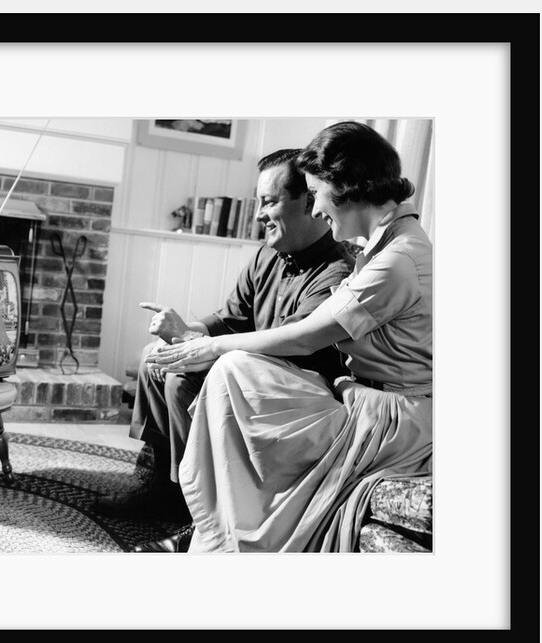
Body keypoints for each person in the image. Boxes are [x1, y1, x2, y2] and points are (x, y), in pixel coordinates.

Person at [145, 120, 433, 553]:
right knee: (228, 369)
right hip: (366, 398)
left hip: (395, 421)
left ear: (346, 185)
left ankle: (224, 529)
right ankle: (214, 517)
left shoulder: (397, 260)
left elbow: (301, 338)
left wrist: (208, 346)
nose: (315, 210)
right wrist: (202, 341)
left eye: (315, 193)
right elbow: (236, 317)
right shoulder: (388, 245)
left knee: (232, 369)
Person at [96, 148, 356, 530]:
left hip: (288, 394)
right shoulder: (267, 255)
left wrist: (194, 345)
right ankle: (162, 484)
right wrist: (184, 331)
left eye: (268, 202)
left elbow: (288, 348)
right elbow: (229, 318)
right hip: (243, 371)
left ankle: (200, 504)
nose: (258, 215)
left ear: (308, 201)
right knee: (158, 358)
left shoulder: (336, 272)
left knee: (182, 377)